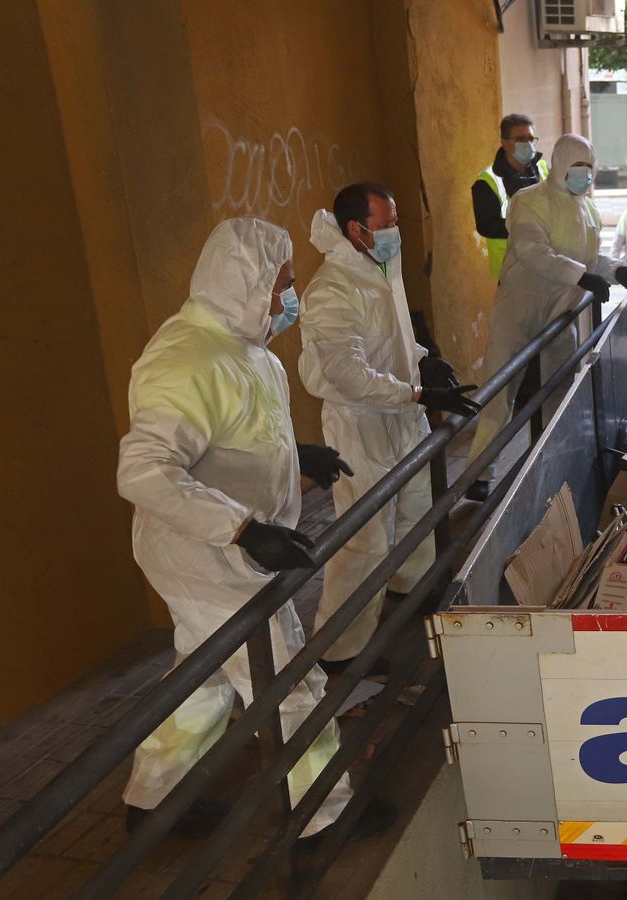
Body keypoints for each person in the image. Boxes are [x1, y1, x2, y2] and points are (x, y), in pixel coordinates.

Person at [117, 217, 372, 840]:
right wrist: (240, 529)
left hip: (231, 547)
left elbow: (242, 434)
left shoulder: (246, 348)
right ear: (245, 282)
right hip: (203, 551)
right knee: (287, 678)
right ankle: (324, 817)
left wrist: (297, 455)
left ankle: (154, 799)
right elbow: (145, 473)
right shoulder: (183, 359)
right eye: (282, 283)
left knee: (205, 675)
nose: (291, 296)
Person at [300, 183, 479, 672]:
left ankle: (411, 589)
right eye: (386, 224)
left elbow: (395, 336)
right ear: (356, 229)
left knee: (417, 507)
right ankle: (339, 649)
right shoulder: (333, 288)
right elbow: (347, 373)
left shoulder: (380, 269)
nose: (395, 232)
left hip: (403, 413)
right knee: (365, 536)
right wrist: (416, 392)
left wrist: (424, 363)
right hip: (362, 424)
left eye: (395, 221)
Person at [465, 134, 627, 500]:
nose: (585, 177)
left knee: (559, 389)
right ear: (561, 166)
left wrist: (619, 270)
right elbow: (533, 250)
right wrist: (580, 275)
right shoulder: (528, 201)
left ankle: (551, 460)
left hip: (561, 311)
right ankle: (479, 474)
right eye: (578, 169)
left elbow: (592, 260)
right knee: (501, 390)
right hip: (519, 308)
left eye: (589, 170)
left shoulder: (589, 211)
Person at [473, 113, 550, 280]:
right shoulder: (487, 181)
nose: (528, 144)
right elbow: (486, 226)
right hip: (512, 269)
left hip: (547, 262)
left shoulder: (542, 168)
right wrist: (527, 228)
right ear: (505, 143)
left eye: (531, 139)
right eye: (521, 139)